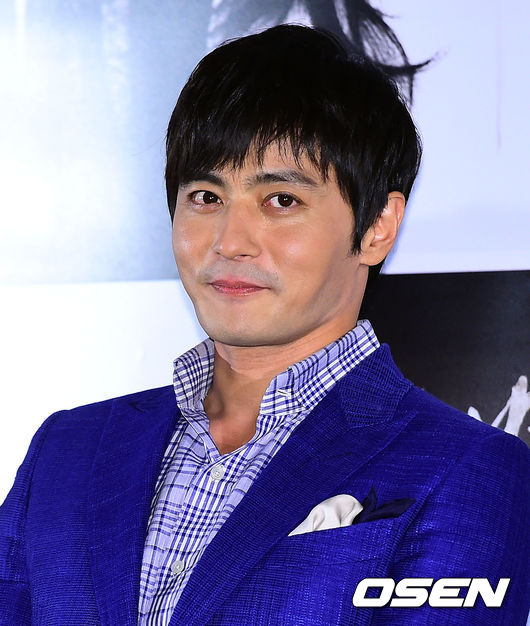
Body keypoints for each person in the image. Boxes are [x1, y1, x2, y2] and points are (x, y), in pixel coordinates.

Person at [1, 24, 528, 626]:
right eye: (206, 196)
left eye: (281, 201)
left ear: (378, 227)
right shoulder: (67, 450)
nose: (229, 241)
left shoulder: (467, 470)